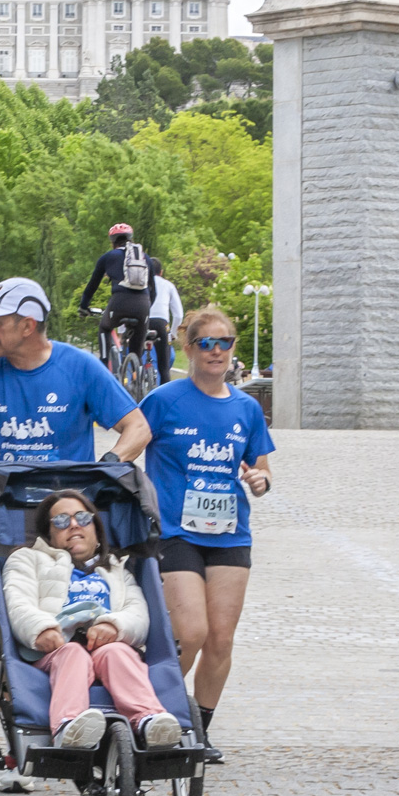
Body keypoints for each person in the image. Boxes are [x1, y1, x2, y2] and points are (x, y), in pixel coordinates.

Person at [140, 305, 273, 763]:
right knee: (190, 631)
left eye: (224, 343)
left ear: (233, 349)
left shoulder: (246, 408)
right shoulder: (165, 400)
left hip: (230, 534)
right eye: (206, 343)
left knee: (220, 638)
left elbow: (261, 468)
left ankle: (198, 730)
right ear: (189, 348)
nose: (216, 352)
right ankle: (156, 715)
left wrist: (260, 480)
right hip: (176, 532)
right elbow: (127, 448)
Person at [2, 490, 182, 750]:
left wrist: (113, 625)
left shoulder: (117, 570)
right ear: (49, 535)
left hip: (106, 646)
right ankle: (68, 724)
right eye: (61, 521)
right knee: (73, 653)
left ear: (96, 529)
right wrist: (41, 628)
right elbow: (18, 601)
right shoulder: (28, 559)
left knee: (118, 652)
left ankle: (147, 720)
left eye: (83, 518)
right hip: (55, 649)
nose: (74, 525)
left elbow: (137, 612)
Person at [0, 277, 149, 468]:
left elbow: (138, 428)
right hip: (3, 499)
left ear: (27, 326)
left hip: (67, 500)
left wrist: (106, 467)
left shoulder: (80, 366)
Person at [78, 224, 157, 367]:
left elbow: (92, 286)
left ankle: (103, 364)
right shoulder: (146, 258)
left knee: (105, 327)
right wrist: (145, 309)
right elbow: (154, 291)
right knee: (137, 351)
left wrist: (84, 306)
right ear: (131, 239)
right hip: (143, 304)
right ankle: (136, 376)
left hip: (120, 302)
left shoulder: (108, 257)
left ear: (112, 242)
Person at [146, 257, 183, 387]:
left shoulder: (141, 283)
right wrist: (173, 334)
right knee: (164, 367)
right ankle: (164, 393)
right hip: (161, 324)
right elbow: (178, 315)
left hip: (142, 322)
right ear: (161, 272)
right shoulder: (168, 285)